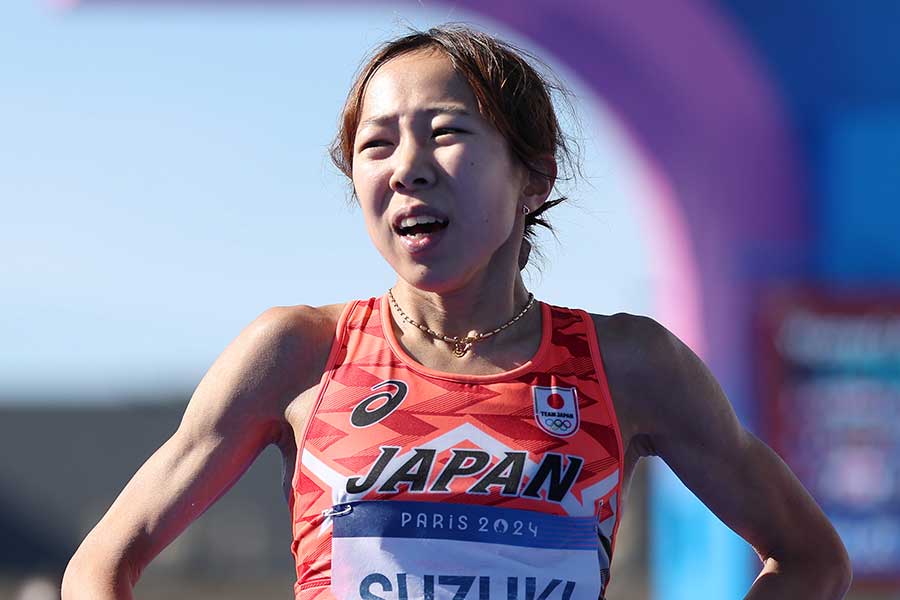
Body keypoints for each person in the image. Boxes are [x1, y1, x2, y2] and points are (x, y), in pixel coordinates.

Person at [62, 24, 851, 600]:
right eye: (376, 146)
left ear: (532, 179)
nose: (407, 168)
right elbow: (99, 566)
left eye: (445, 134)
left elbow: (811, 559)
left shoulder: (628, 363)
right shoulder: (298, 352)